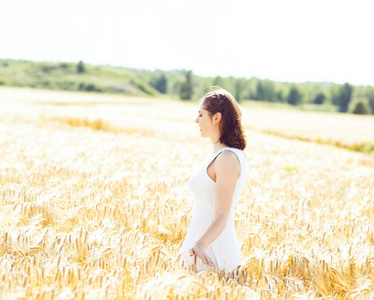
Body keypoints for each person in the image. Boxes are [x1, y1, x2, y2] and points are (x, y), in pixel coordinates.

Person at [178, 88, 248, 273]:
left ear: (217, 118)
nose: (196, 120)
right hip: (199, 247)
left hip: (212, 251)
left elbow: (221, 215)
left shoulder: (227, 158)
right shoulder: (218, 154)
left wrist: (200, 245)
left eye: (201, 114)